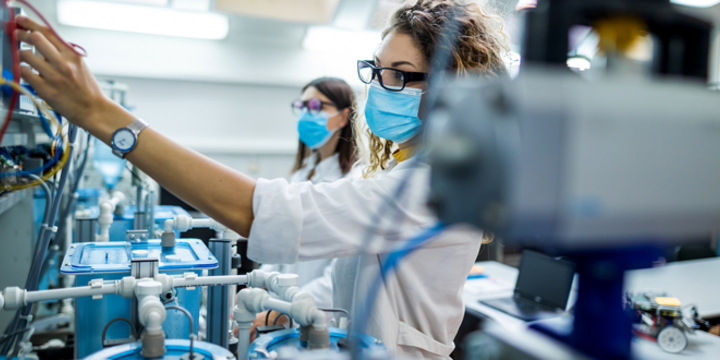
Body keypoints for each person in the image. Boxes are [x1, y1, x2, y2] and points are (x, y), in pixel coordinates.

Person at [15, 0, 508, 358]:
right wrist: (298, 307)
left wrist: (105, 118)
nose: (379, 89)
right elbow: (357, 283)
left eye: (399, 75)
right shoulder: (393, 171)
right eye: (375, 72)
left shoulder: (433, 185)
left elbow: (261, 212)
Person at [257, 77, 357, 330]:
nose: (306, 114)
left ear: (343, 117)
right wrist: (259, 290)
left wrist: (287, 311)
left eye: (316, 106)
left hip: (320, 315)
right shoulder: (302, 174)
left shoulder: (353, 181)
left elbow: (339, 276)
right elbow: (278, 248)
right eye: (302, 107)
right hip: (283, 308)